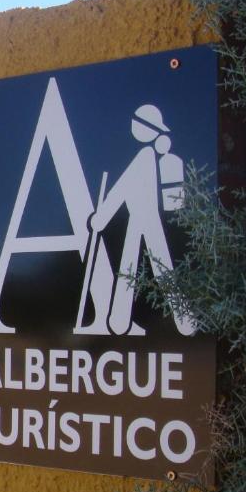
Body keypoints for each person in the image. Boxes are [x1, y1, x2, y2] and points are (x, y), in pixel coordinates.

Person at [86, 104, 195, 336]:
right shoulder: (154, 155)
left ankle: (121, 319)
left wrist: (101, 218)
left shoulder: (144, 155)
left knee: (131, 268)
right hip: (145, 219)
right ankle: (180, 320)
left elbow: (121, 187)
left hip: (143, 218)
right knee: (156, 268)